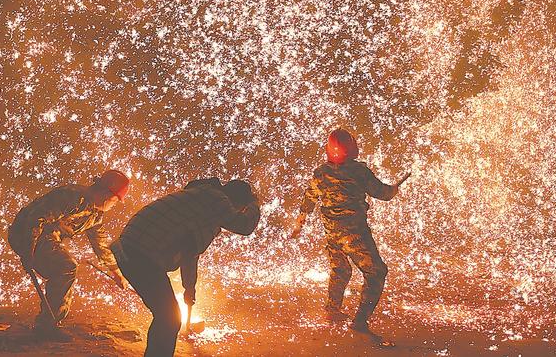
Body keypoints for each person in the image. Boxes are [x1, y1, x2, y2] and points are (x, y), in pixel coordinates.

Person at [111, 177, 261, 357]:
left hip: (130, 249)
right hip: (140, 254)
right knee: (169, 318)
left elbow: (189, 251)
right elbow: (244, 226)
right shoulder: (217, 200)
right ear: (236, 202)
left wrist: (189, 288)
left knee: (167, 315)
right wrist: (255, 205)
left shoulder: (200, 197)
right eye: (239, 208)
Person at [290, 127, 410, 345]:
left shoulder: (321, 172)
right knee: (377, 272)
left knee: (341, 268)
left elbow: (309, 197)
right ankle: (360, 324)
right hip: (354, 232)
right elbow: (382, 194)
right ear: (352, 149)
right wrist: (393, 190)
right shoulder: (359, 172)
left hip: (331, 231)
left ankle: (332, 310)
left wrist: (299, 223)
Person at [8, 169, 131, 333]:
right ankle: (46, 326)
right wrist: (28, 251)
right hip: (25, 233)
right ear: (107, 194)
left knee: (65, 267)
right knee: (66, 266)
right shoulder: (72, 196)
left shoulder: (94, 215)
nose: (114, 205)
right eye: (115, 201)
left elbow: (100, 245)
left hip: (47, 238)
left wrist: (117, 274)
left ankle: (51, 321)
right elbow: (36, 218)